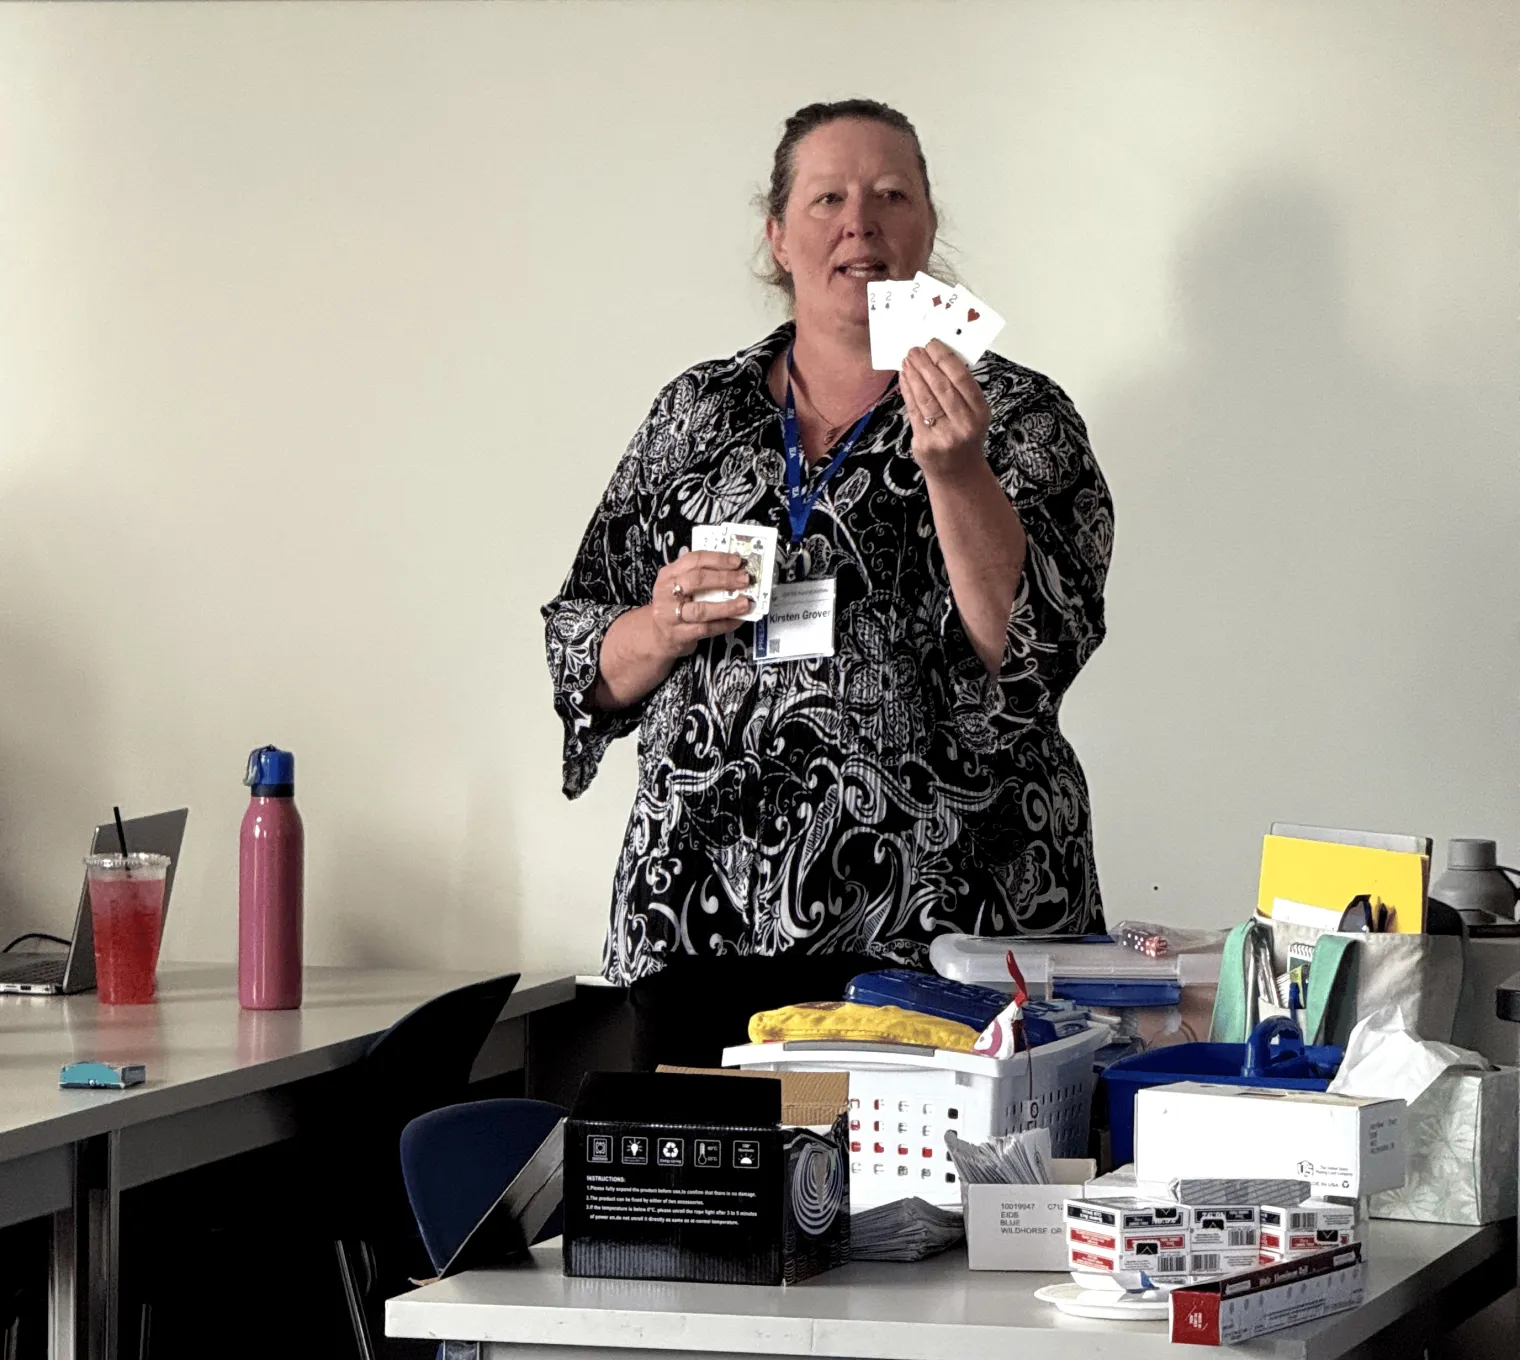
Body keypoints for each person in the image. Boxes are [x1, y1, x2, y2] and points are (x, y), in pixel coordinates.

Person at [542, 99, 1113, 1067]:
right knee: (711, 1213)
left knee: (913, 1221)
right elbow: (581, 652)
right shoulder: (695, 415)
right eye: (827, 198)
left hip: (943, 942)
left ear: (927, 228)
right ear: (776, 234)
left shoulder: (1017, 416)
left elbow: (1032, 657)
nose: (860, 222)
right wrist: (659, 624)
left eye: (891, 195)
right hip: (700, 930)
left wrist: (957, 473)